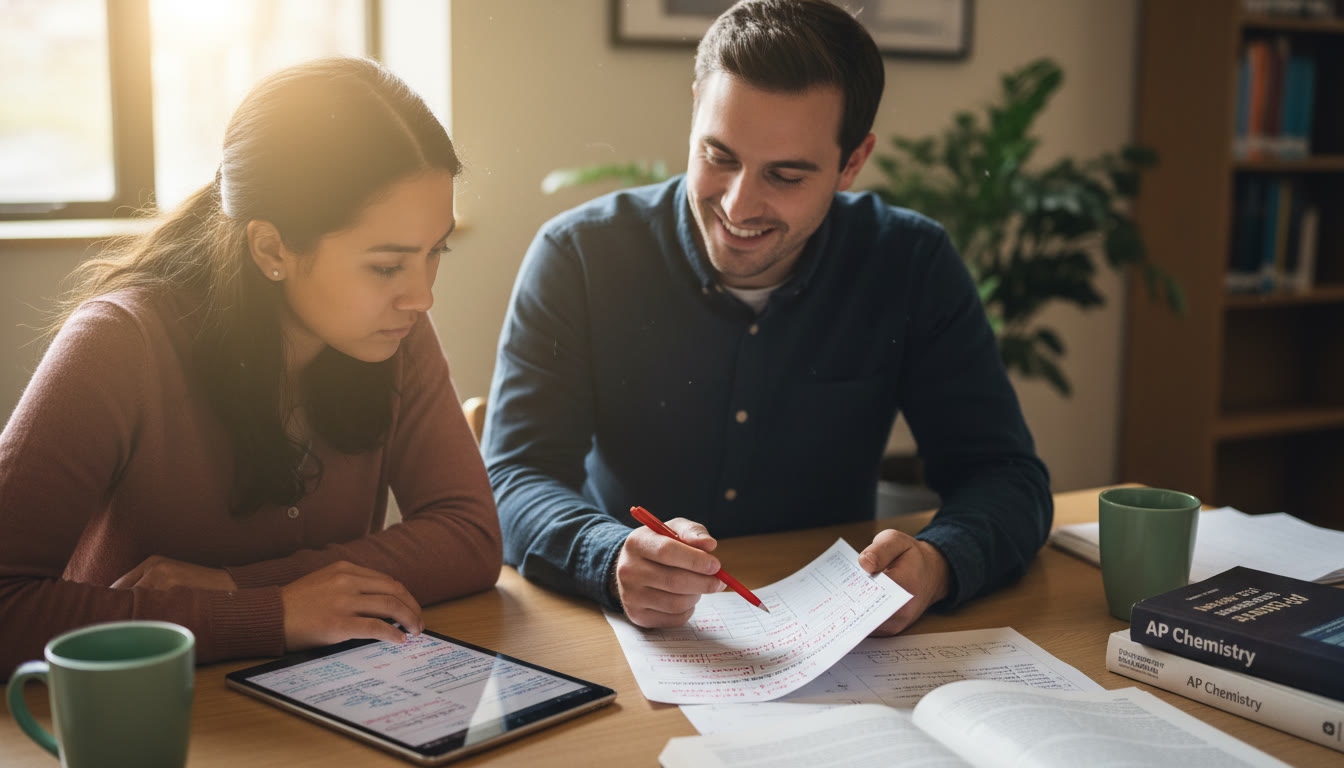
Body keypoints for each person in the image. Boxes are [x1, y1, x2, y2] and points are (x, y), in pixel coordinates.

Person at [483, 0, 1051, 634]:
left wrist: (940, 562)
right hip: (634, 640)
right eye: (719, 156)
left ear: (853, 163)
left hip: (841, 647)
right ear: (696, 105)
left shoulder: (911, 263)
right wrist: (608, 555)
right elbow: (513, 476)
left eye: (785, 175)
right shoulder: (579, 256)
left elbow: (1006, 476)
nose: (737, 204)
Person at [0, 57, 501, 675]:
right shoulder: (119, 341)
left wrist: (242, 587)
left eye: (435, 252)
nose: (421, 296)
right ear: (272, 248)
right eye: (386, 266)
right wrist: (273, 615)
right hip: (142, 715)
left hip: (312, 704)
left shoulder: (394, 330)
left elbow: (471, 536)